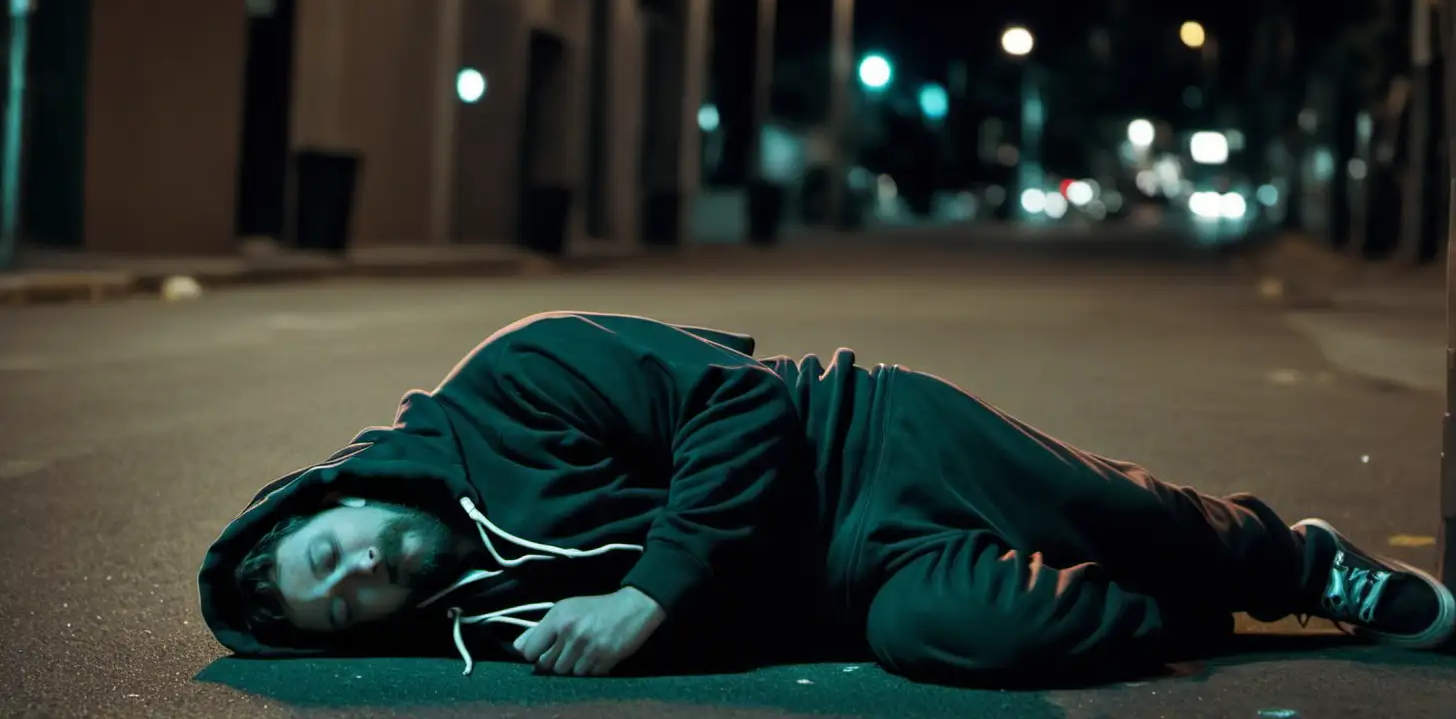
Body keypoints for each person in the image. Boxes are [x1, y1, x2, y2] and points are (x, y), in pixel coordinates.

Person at [198, 311, 1455, 682]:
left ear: (334, 498)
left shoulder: (510, 380)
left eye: (333, 557)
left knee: (1124, 520)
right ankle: (1205, 615)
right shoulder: (475, 620)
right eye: (343, 613)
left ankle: (1292, 564)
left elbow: (734, 402)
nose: (360, 582)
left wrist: (648, 596)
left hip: (865, 441)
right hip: (854, 589)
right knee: (969, 636)